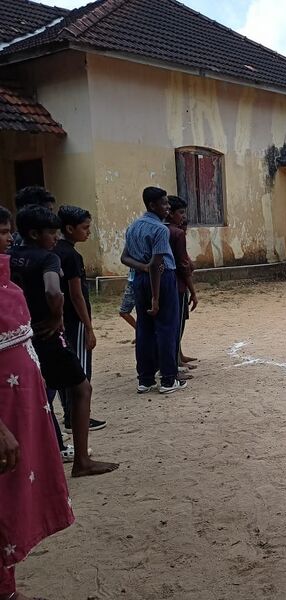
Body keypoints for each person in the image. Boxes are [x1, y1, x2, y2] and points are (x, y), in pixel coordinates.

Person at [9, 206, 117, 478]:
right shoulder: (49, 258)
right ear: (35, 234)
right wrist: (56, 316)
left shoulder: (9, 257)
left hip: (19, 338)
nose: (56, 237)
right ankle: (82, 460)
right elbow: (53, 291)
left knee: (35, 395)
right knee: (81, 388)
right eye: (51, 232)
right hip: (47, 337)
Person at [0, 242, 75, 600]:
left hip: (20, 416)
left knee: (10, 500)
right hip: (4, 423)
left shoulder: (9, 286)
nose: (6, 239)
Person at [122, 187, 186, 394]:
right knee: (167, 328)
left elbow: (125, 257)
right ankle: (168, 379)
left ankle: (145, 379)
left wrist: (142, 267)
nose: (168, 207)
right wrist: (156, 298)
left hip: (139, 280)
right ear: (152, 205)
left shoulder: (133, 227)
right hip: (161, 279)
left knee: (144, 328)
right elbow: (157, 264)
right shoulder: (160, 230)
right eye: (164, 203)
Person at [54, 206, 106, 434]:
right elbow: (76, 295)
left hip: (60, 321)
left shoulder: (53, 250)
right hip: (74, 321)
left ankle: (69, 415)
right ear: (69, 228)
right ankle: (76, 417)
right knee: (80, 371)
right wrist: (88, 327)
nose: (88, 232)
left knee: (65, 369)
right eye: (85, 228)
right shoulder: (72, 256)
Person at [166, 195, 198, 370]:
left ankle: (177, 356)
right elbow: (184, 266)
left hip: (165, 285)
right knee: (176, 325)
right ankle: (174, 362)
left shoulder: (160, 230)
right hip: (177, 285)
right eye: (181, 212)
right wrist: (193, 291)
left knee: (170, 325)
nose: (184, 216)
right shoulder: (175, 233)